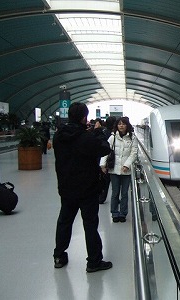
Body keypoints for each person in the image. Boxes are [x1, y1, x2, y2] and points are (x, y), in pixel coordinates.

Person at [52, 102, 113, 273]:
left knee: (64, 222)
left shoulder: (58, 137)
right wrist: (99, 132)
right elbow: (104, 149)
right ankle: (94, 261)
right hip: (87, 189)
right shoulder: (86, 138)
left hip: (66, 188)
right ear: (84, 117)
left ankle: (59, 256)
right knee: (90, 225)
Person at [100, 116, 138, 223]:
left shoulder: (132, 138)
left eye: (123, 124)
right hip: (114, 170)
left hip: (126, 170)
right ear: (117, 126)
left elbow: (133, 153)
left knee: (125, 193)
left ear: (127, 125)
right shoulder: (113, 137)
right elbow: (106, 151)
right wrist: (103, 165)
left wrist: (127, 165)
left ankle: (123, 213)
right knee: (115, 193)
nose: (121, 126)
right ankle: (114, 213)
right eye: (119, 124)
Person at [99, 116, 117, 204]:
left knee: (104, 181)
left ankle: (101, 198)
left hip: (103, 160)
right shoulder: (114, 135)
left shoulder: (103, 132)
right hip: (112, 161)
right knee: (114, 183)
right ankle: (115, 199)